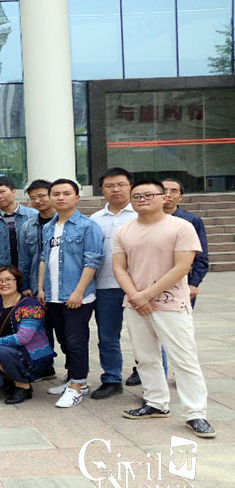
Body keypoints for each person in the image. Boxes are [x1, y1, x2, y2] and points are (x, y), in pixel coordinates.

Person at [112, 180, 215, 438]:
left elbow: (182, 267)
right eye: (137, 196)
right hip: (135, 304)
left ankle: (196, 413)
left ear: (163, 197)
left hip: (170, 303)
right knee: (145, 356)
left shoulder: (181, 227)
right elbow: (119, 268)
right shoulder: (124, 230)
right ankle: (156, 402)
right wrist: (136, 297)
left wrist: (146, 295)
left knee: (184, 359)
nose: (142, 199)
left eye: (149, 195)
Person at [37, 179, 103, 408]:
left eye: (66, 193)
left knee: (76, 341)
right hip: (53, 295)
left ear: (77, 197)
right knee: (63, 339)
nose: (60, 197)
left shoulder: (88, 226)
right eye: (56, 193)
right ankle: (74, 378)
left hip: (77, 295)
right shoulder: (48, 227)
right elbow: (44, 258)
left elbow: (93, 261)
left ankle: (78, 385)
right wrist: (41, 288)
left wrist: (79, 292)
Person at [0, 266, 55, 405]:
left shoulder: (31, 305)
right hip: (6, 352)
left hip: (34, 359)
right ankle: (7, 378)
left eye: (8, 279)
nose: (4, 283)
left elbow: (23, 337)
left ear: (17, 281)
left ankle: (23, 386)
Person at [90, 167, 137, 397]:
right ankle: (111, 378)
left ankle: (149, 377)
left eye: (121, 184)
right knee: (108, 336)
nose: (115, 189)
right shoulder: (94, 220)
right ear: (102, 190)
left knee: (147, 336)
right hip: (105, 286)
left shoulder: (140, 214)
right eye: (109, 186)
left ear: (130, 187)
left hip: (139, 287)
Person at [162, 178, 209, 306]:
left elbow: (201, 256)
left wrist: (194, 283)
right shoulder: (144, 219)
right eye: (164, 190)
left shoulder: (191, 220)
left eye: (174, 191)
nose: (168, 194)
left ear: (180, 197)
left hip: (182, 281)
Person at [0, 177, 37, 273]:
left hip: (30, 273)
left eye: (2, 192)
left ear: (13, 192)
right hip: (0, 275)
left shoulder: (33, 216)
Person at [17, 179, 55, 295]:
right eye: (32, 198)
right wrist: (24, 286)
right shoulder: (27, 227)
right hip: (36, 286)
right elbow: (24, 260)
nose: (37, 201)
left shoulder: (65, 223)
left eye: (41, 196)